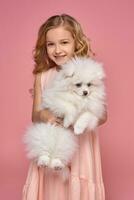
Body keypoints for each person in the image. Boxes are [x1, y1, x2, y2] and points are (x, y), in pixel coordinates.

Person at [22, 14, 107, 200]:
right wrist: (47, 116)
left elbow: (102, 115)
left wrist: (79, 119)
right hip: (52, 138)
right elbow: (35, 115)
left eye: (64, 42)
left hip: (81, 144)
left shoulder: (88, 71)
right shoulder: (43, 76)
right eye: (51, 44)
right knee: (53, 183)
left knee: (78, 180)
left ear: (76, 43)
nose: (57, 50)